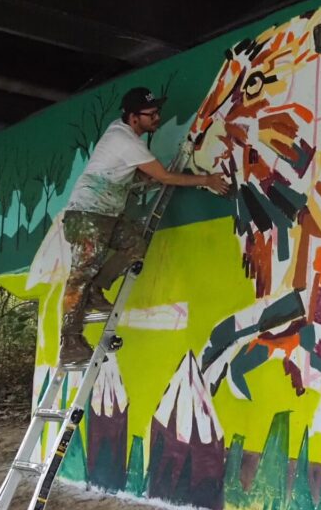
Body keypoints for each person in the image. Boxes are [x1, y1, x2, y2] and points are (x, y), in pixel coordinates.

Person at [59, 86, 229, 364]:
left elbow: (125, 174)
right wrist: (206, 180)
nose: (157, 118)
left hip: (106, 216)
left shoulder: (122, 132)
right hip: (87, 216)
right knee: (80, 275)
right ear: (133, 117)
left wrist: (146, 178)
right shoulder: (126, 141)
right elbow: (164, 176)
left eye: (157, 112)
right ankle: (70, 342)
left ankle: (95, 289)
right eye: (151, 114)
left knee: (135, 244)